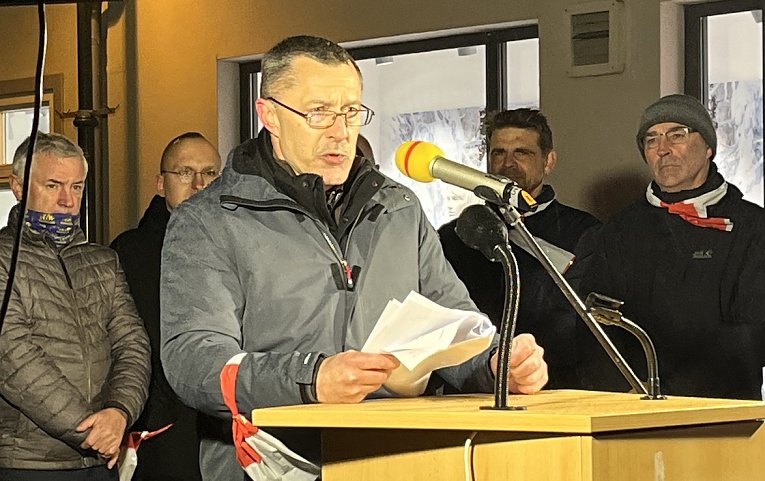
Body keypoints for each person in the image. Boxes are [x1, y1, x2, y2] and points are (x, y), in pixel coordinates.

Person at [159, 35, 548, 481]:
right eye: (319, 112)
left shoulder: (398, 208)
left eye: (350, 111)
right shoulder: (208, 221)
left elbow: (452, 322)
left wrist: (497, 364)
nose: (341, 131)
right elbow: (193, 360)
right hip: (264, 465)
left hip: (394, 461)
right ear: (269, 115)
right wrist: (311, 378)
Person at [572, 94, 765, 399]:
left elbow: (754, 336)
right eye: (651, 139)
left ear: (709, 146)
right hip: (633, 409)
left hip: (722, 412)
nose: (663, 149)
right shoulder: (617, 230)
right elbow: (594, 328)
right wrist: (631, 393)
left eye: (677, 135)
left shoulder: (753, 226)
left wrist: (674, 393)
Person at [0, 132, 150, 481]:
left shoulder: (104, 260)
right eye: (53, 186)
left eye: (77, 187)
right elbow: (13, 356)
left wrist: (119, 412)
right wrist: (92, 432)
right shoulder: (4, 258)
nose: (68, 200)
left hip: (102, 458)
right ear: (18, 187)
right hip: (28, 462)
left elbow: (133, 346)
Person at [438, 108, 600, 389]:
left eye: (522, 153)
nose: (508, 164)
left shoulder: (585, 233)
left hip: (559, 390)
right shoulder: (454, 236)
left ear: (548, 160)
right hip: (475, 389)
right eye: (499, 153)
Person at [110, 132, 222, 481]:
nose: (199, 183)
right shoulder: (130, 252)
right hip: (161, 431)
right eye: (185, 172)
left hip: (227, 425)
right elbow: (126, 345)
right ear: (161, 183)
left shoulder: (241, 246)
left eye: (211, 173)